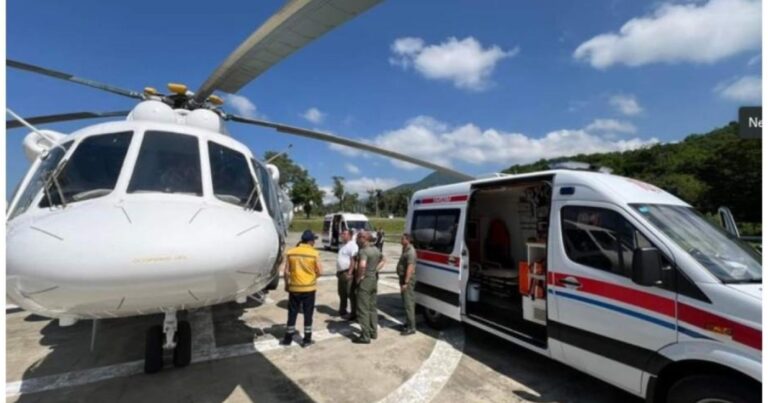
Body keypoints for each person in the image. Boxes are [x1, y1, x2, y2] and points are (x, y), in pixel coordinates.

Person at [281, 229, 323, 348]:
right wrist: (312, 279)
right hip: (309, 289)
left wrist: (287, 285)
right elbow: (320, 272)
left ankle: (288, 339)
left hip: (294, 288)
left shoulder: (291, 252)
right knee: (308, 314)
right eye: (314, 240)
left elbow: (286, 272)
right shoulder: (314, 253)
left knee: (292, 313)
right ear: (310, 241)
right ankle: (306, 339)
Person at [353, 231, 385, 344]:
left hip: (365, 281)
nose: (357, 239)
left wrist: (358, 278)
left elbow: (362, 265)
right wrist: (375, 270)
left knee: (363, 309)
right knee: (372, 307)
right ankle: (373, 332)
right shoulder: (376, 249)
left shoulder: (363, 251)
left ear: (364, 238)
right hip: (373, 280)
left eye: (358, 237)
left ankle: (365, 336)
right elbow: (384, 260)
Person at [397, 233, 417, 335]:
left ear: (408, 240)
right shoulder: (405, 249)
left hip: (407, 280)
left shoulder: (411, 252)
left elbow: (410, 268)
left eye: (402, 238)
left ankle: (411, 327)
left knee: (408, 303)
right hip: (403, 278)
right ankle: (408, 323)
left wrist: (406, 282)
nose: (401, 240)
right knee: (405, 302)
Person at [336, 229, 358, 317]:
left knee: (350, 293)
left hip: (347, 272)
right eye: (342, 234)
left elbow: (353, 259)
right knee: (341, 292)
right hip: (341, 273)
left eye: (344, 234)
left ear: (350, 235)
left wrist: (350, 273)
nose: (342, 235)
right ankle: (342, 310)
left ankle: (354, 313)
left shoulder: (352, 245)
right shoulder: (343, 246)